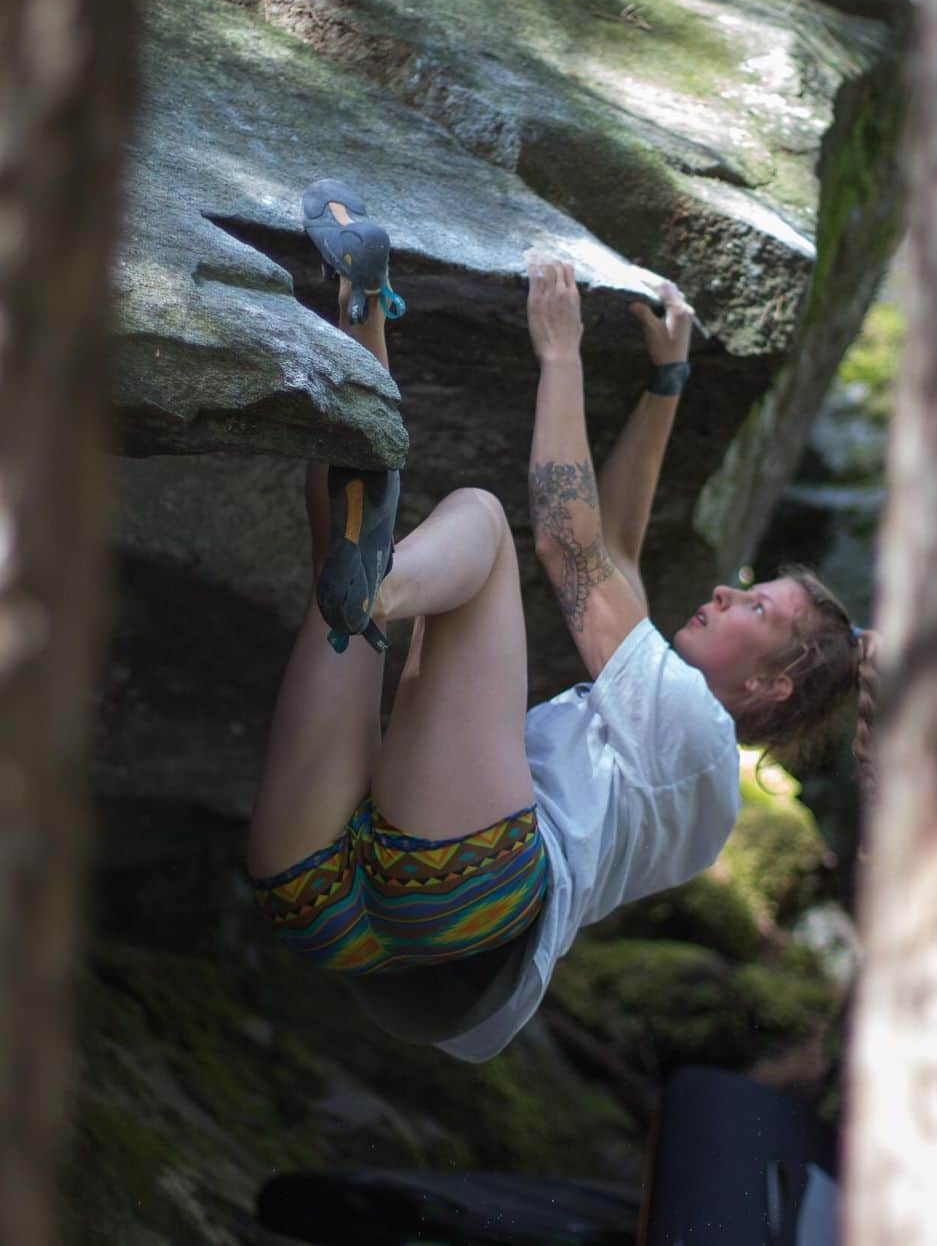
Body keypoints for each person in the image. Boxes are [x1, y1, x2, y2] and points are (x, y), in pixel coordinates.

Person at [247, 188, 879, 1062]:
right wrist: (667, 384)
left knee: (472, 525)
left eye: (758, 607)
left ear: (769, 685)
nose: (729, 594)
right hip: (356, 932)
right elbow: (618, 544)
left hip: (477, 892)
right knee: (350, 565)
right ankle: (360, 310)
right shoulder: (670, 767)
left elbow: (569, 544)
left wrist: (562, 350)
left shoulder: (695, 739)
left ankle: (374, 585)